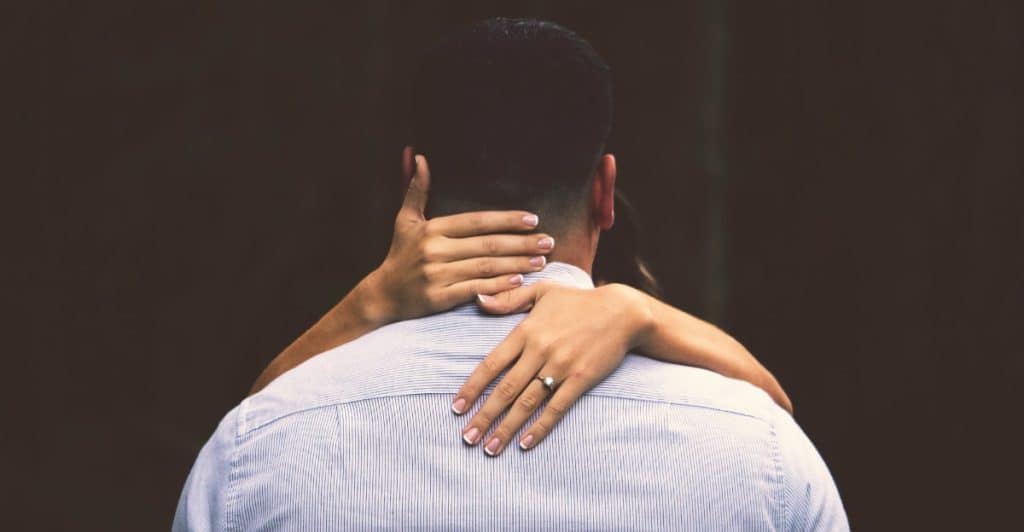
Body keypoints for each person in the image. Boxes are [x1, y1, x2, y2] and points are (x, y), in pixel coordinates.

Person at [174, 17, 847, 531]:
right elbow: (776, 412)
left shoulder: (254, 448)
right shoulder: (761, 450)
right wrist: (635, 309)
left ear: (414, 177)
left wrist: (370, 303)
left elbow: (253, 421)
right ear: (604, 192)